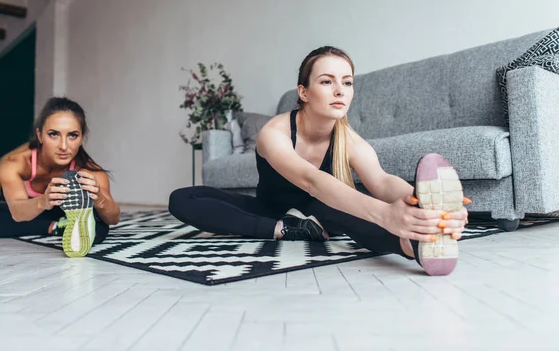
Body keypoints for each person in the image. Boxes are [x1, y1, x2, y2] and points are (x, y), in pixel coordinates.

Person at [169, 46, 470, 276]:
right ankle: (283, 229)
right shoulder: (274, 133)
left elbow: (379, 180)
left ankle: (411, 244)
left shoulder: (348, 138)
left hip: (322, 212)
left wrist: (420, 204)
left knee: (338, 209)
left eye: (347, 82)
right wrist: (384, 213)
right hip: (271, 211)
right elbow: (311, 180)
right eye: (327, 81)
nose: (340, 90)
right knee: (182, 198)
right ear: (304, 92)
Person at [0, 97, 120, 258]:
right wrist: (44, 201)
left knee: (101, 225)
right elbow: (18, 213)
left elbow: (113, 218)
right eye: (53, 134)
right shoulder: (15, 163)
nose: (64, 146)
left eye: (72, 135)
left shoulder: (89, 170)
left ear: (82, 137)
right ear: (40, 135)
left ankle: (68, 223)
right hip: (33, 211)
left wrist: (99, 198)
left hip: (65, 211)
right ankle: (57, 227)